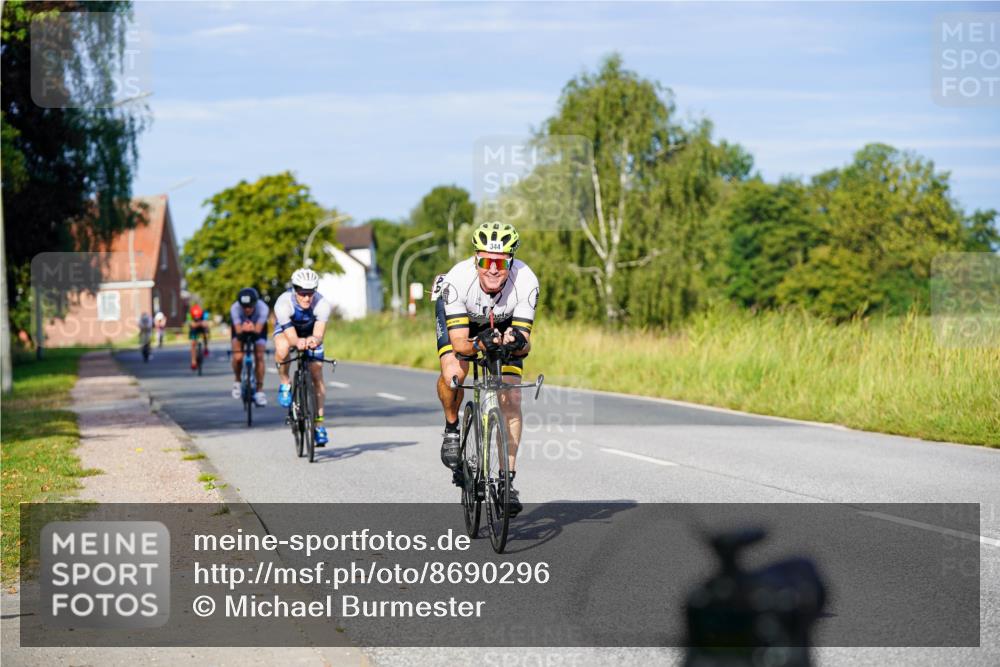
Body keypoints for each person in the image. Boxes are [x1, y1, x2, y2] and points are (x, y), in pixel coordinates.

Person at [435, 221, 538, 517]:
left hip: (501, 323)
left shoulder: (526, 281)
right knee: (454, 375)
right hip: (464, 323)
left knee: (512, 399)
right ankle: (452, 427)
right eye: (485, 261)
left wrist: (514, 341)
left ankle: (507, 482)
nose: (492, 269)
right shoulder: (457, 280)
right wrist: (479, 344)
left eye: (500, 262)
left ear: (511, 261)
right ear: (476, 260)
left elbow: (525, 344)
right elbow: (459, 344)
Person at [273, 268, 332, 446]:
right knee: (283, 349)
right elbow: (291, 337)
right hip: (288, 330)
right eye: (302, 293)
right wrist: (297, 342)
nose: (307, 298)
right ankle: (284, 383)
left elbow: (319, 333)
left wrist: (314, 340)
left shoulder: (322, 304)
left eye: (310, 293)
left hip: (310, 330)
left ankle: (319, 425)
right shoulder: (283, 304)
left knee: (317, 371)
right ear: (294, 290)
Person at [230, 287, 269, 407]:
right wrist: (243, 329)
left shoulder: (263, 308)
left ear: (255, 303)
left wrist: (253, 328)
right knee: (237, 357)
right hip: (240, 329)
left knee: (259, 356)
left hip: (258, 328)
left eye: (250, 306)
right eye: (244, 307)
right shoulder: (235, 308)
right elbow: (237, 330)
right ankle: (237, 380)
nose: (247, 309)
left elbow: (257, 330)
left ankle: (259, 390)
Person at [186, 303, 211, 370]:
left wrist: (200, 323)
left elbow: (206, 323)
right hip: (194, 329)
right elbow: (191, 324)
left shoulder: (204, 313)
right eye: (195, 317)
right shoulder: (189, 314)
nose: (197, 318)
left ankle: (206, 347)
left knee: (206, 333)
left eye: (198, 317)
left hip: (201, 327)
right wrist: (198, 323)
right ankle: (193, 361)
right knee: (193, 343)